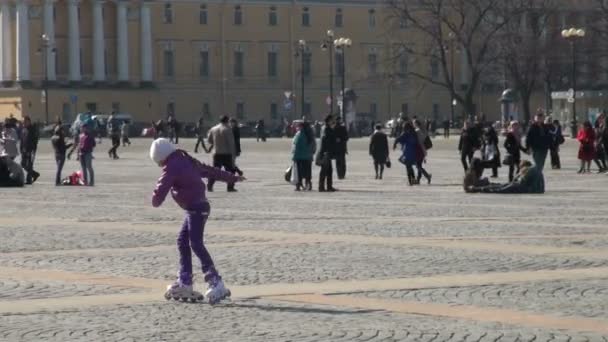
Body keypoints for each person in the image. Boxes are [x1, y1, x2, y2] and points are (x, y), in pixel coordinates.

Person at [150, 138, 244, 304]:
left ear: (162, 157)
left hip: (196, 208)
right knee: (183, 241)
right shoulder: (185, 159)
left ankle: (215, 281)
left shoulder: (172, 166)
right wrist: (231, 178)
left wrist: (155, 199)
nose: (160, 166)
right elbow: (209, 171)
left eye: (159, 163)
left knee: (195, 243)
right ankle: (185, 281)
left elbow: (163, 185)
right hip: (196, 207)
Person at [467, 160, 544, 194]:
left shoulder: (527, 169)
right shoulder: (535, 169)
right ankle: (480, 187)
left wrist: (518, 175)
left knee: (499, 189)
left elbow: (518, 180)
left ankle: (476, 188)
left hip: (523, 187)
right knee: (500, 186)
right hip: (529, 188)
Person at [206, 115, 238, 192]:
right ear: (227, 121)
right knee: (230, 170)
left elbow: (209, 140)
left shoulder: (213, 129)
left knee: (215, 170)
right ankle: (230, 187)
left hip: (216, 153)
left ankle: (209, 185)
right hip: (226, 153)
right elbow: (231, 143)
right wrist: (233, 154)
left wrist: (216, 142)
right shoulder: (228, 129)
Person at [291, 121, 316, 191]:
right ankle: (308, 183)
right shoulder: (310, 135)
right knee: (308, 171)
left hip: (300, 157)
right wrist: (311, 153)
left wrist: (294, 157)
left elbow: (296, 147)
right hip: (308, 157)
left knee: (299, 172)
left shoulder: (300, 135)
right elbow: (314, 146)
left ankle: (298, 185)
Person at [316, 115, 338, 192]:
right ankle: (321, 187)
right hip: (326, 152)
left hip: (326, 152)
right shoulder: (326, 129)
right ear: (329, 120)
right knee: (324, 170)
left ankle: (329, 186)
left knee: (329, 170)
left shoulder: (325, 128)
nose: (333, 121)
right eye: (332, 120)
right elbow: (326, 140)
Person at [394, 122, 419, 186]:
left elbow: (398, 139)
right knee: (410, 166)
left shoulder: (406, 133)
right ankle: (413, 179)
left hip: (407, 152)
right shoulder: (414, 133)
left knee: (408, 166)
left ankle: (410, 181)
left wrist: (394, 144)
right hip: (414, 151)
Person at [20, 115, 40, 184]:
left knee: (30, 165)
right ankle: (35, 174)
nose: (23, 123)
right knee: (23, 164)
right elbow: (22, 140)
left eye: (25, 121)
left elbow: (35, 140)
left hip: (31, 150)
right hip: (24, 150)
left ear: (29, 121)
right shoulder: (23, 129)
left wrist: (32, 150)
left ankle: (29, 180)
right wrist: (21, 148)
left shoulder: (33, 129)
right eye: (23, 122)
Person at [413, 119, 432, 184]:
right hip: (422, 149)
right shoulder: (423, 131)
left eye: (414, 123)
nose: (413, 124)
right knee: (419, 165)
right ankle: (418, 179)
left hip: (419, 149)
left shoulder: (417, 131)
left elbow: (420, 142)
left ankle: (427, 176)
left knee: (418, 165)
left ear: (416, 124)